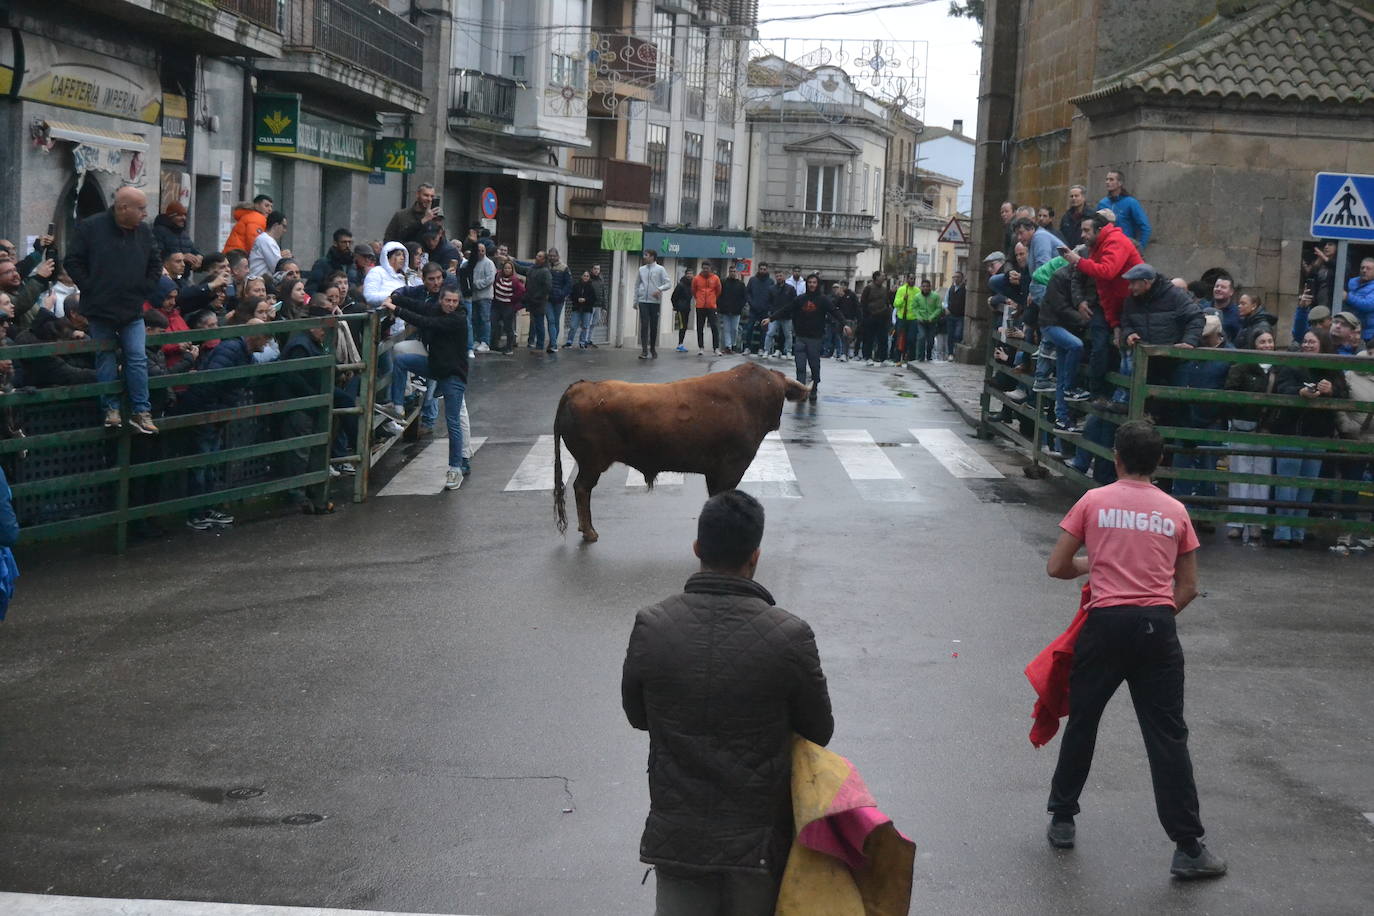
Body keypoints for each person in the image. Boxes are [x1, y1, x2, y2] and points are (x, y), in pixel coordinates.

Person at [621, 489, 833, 915]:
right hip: (756, 843)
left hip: (678, 836)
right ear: (755, 556)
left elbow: (637, 715)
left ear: (698, 548)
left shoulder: (652, 625)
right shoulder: (790, 636)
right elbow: (819, 730)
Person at [1044, 419, 1225, 880]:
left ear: (1116, 458)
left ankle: (1063, 818)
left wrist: (1097, 562)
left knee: (1083, 721)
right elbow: (1187, 587)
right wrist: (1155, 618)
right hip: (1156, 628)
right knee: (1167, 736)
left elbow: (1058, 566)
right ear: (1159, 462)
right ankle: (1188, 846)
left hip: (1104, 625)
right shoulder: (1174, 511)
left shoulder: (1094, 501)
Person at [64, 186, 162, 434]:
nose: (145, 213)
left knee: (137, 357)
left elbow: (155, 262)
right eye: (140, 208)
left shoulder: (144, 231)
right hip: (100, 307)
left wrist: (144, 289)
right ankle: (111, 409)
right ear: (123, 208)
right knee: (105, 357)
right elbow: (72, 260)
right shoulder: (91, 227)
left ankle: (141, 410)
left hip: (131, 307)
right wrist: (90, 287)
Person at [382, 287, 469, 491]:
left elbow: (426, 322)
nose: (451, 304)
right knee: (402, 361)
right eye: (447, 300)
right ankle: (398, 407)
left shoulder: (457, 319)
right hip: (435, 367)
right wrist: (395, 298)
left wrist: (395, 308)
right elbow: (419, 306)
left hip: (453, 376)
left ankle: (455, 468)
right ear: (441, 300)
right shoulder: (436, 309)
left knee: (453, 421)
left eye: (454, 301)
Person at [1270, 328, 1349, 546]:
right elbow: (1282, 388)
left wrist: (1332, 390)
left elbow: (1344, 392)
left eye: (1312, 342)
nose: (1307, 345)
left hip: (1318, 432)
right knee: (1287, 483)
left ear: (1322, 344)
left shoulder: (1332, 368)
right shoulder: (1291, 363)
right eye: (1305, 341)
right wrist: (1300, 393)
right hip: (1291, 430)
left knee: (1307, 485)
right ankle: (1282, 532)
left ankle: (1298, 531)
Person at [1224, 327, 1279, 543]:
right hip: (1242, 425)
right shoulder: (1241, 366)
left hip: (1267, 428)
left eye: (1269, 341)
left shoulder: (1277, 369)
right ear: (1253, 345)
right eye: (1262, 342)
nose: (1267, 345)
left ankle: (1257, 522)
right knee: (1239, 472)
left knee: (1262, 476)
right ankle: (1236, 522)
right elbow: (1231, 393)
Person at [761, 273, 849, 403]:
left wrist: (845, 324)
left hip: (815, 338)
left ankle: (814, 388)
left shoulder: (823, 300)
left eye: (814, 282)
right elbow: (786, 309)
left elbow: (835, 312)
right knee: (800, 366)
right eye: (809, 282)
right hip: (801, 337)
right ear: (806, 284)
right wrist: (771, 318)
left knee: (814, 365)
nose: (812, 285)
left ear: (817, 284)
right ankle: (801, 390)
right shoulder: (800, 299)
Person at [1097, 169, 1152, 249]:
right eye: (1107, 179)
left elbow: (1145, 227)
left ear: (1120, 183)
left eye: (1111, 180)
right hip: (1105, 246)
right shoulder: (1102, 203)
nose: (1107, 182)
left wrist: (1140, 248)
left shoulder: (1131, 202)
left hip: (1124, 247)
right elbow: (1096, 225)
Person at [635, 248, 672, 359]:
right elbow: (637, 285)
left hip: (654, 302)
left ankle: (652, 348)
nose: (644, 257)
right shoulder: (641, 269)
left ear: (652, 257)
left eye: (646, 255)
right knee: (644, 325)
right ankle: (644, 350)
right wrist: (635, 300)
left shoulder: (660, 269)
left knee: (654, 326)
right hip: (643, 301)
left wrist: (659, 289)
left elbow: (668, 283)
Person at [153, 202, 202, 270]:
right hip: (167, 275)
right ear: (171, 217)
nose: (183, 218)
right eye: (180, 215)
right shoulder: (159, 231)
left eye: (185, 215)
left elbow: (193, 249)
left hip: (182, 276)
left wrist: (199, 256)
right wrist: (182, 257)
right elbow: (157, 255)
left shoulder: (183, 233)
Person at [742, 262, 776, 357]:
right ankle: (747, 348)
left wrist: (769, 307)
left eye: (764, 269)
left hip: (764, 310)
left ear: (767, 270)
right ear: (758, 269)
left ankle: (761, 348)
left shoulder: (770, 282)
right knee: (749, 328)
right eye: (761, 269)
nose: (762, 271)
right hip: (753, 309)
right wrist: (751, 303)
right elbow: (747, 293)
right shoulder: (752, 280)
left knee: (764, 330)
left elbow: (773, 296)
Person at [492, 259, 525, 355]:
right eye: (505, 268)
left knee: (508, 327)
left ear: (512, 269)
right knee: (494, 323)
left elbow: (521, 292)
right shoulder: (498, 276)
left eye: (509, 268)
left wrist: (512, 300)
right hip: (497, 305)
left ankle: (509, 347)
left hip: (508, 306)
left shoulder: (515, 281)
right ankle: (494, 344)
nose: (507, 270)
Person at [467, 242, 496, 353]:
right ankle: (477, 340)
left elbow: (490, 279)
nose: (481, 252)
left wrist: (476, 284)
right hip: (474, 296)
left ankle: (485, 342)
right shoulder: (472, 263)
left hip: (485, 296)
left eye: (483, 250)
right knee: (475, 319)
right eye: (479, 250)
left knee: (485, 319)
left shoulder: (489, 263)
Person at [307, 228, 355, 294]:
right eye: (344, 242)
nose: (347, 245)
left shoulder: (353, 264)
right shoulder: (322, 264)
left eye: (350, 242)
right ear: (335, 243)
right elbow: (311, 289)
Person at [523, 251, 553, 352]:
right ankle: (534, 343)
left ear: (544, 259)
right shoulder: (532, 269)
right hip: (531, 300)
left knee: (539, 323)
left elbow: (548, 287)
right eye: (537, 255)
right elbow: (522, 269)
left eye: (540, 256)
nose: (537, 257)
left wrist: (537, 296)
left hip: (539, 302)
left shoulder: (545, 271)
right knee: (535, 322)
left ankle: (540, 345)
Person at [860, 271, 892, 366]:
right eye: (882, 276)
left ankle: (883, 358)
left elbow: (887, 301)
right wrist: (866, 315)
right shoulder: (868, 288)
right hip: (871, 317)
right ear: (877, 277)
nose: (884, 277)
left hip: (882, 317)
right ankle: (868, 357)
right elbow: (863, 302)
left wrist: (887, 312)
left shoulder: (884, 289)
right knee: (869, 338)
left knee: (883, 338)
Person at [691, 261, 722, 355]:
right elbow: (693, 290)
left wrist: (712, 300)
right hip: (700, 306)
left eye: (707, 268)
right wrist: (699, 299)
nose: (705, 270)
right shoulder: (696, 278)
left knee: (714, 327)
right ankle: (701, 347)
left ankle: (716, 348)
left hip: (711, 306)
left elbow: (718, 290)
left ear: (710, 268)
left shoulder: (715, 278)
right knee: (700, 327)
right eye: (704, 268)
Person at [912, 277, 945, 363]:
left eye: (927, 286)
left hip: (932, 322)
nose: (925, 288)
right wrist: (919, 317)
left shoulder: (935, 296)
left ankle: (929, 355)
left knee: (930, 340)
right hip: (921, 321)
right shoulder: (917, 297)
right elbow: (914, 308)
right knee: (921, 337)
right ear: (921, 287)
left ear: (930, 287)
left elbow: (939, 308)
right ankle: (920, 357)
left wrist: (932, 317)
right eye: (923, 286)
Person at [547, 248, 573, 354]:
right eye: (550, 255)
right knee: (551, 320)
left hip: (559, 300)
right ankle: (553, 344)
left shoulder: (564, 267)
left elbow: (568, 284)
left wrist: (562, 294)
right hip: (547, 299)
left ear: (558, 256)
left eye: (554, 255)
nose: (552, 257)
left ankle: (552, 343)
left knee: (555, 321)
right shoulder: (546, 266)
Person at [248, 211, 289, 280]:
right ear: (275, 225)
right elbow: (277, 267)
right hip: (259, 282)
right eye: (284, 226)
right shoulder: (266, 240)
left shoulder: (266, 239)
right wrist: (286, 259)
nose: (285, 230)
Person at [564, 270, 599, 349]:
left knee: (585, 326)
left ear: (589, 278)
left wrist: (585, 300)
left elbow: (593, 299)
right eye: (584, 275)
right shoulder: (576, 286)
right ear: (581, 276)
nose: (586, 277)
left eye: (587, 276)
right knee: (573, 326)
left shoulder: (591, 287)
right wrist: (577, 299)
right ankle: (569, 342)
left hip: (587, 310)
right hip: (577, 308)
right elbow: (571, 296)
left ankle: (582, 342)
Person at [1342, 257, 1374, 340]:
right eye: (1362, 267)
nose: (1364, 270)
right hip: (1349, 329)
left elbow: (1368, 305)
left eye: (1368, 268)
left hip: (1367, 333)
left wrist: (1347, 297)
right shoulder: (1351, 282)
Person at [717, 265, 746, 354]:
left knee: (734, 329)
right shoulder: (723, 282)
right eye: (731, 271)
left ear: (737, 272)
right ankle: (728, 346)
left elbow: (744, 298)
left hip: (736, 311)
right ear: (729, 272)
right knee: (726, 329)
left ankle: (733, 344)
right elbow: (719, 296)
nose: (733, 273)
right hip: (725, 310)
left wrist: (740, 307)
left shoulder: (741, 284)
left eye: (734, 271)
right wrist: (721, 306)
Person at [891, 274, 918, 366]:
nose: (913, 280)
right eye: (911, 278)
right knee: (900, 339)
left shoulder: (917, 291)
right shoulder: (901, 290)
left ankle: (911, 359)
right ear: (907, 279)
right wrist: (903, 299)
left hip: (913, 319)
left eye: (914, 279)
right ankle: (897, 359)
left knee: (912, 339)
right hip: (902, 318)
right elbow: (895, 304)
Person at [1059, 185, 1091, 250]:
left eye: (1076, 196)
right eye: (1071, 196)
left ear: (1083, 197)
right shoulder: (1066, 217)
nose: (1073, 198)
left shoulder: (1091, 215)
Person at [670, 268, 694, 353]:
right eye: (688, 273)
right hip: (681, 308)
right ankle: (679, 345)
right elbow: (673, 297)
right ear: (685, 274)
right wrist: (676, 306)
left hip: (687, 308)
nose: (689, 275)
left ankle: (681, 344)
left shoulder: (692, 285)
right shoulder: (681, 285)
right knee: (682, 326)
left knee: (685, 327)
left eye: (691, 274)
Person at [944, 271, 966, 360]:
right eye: (954, 277)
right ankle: (950, 353)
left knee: (958, 334)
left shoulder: (965, 289)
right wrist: (946, 308)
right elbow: (945, 300)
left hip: (960, 315)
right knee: (950, 335)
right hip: (951, 315)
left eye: (958, 277)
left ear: (962, 278)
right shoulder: (950, 288)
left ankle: (956, 352)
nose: (956, 279)